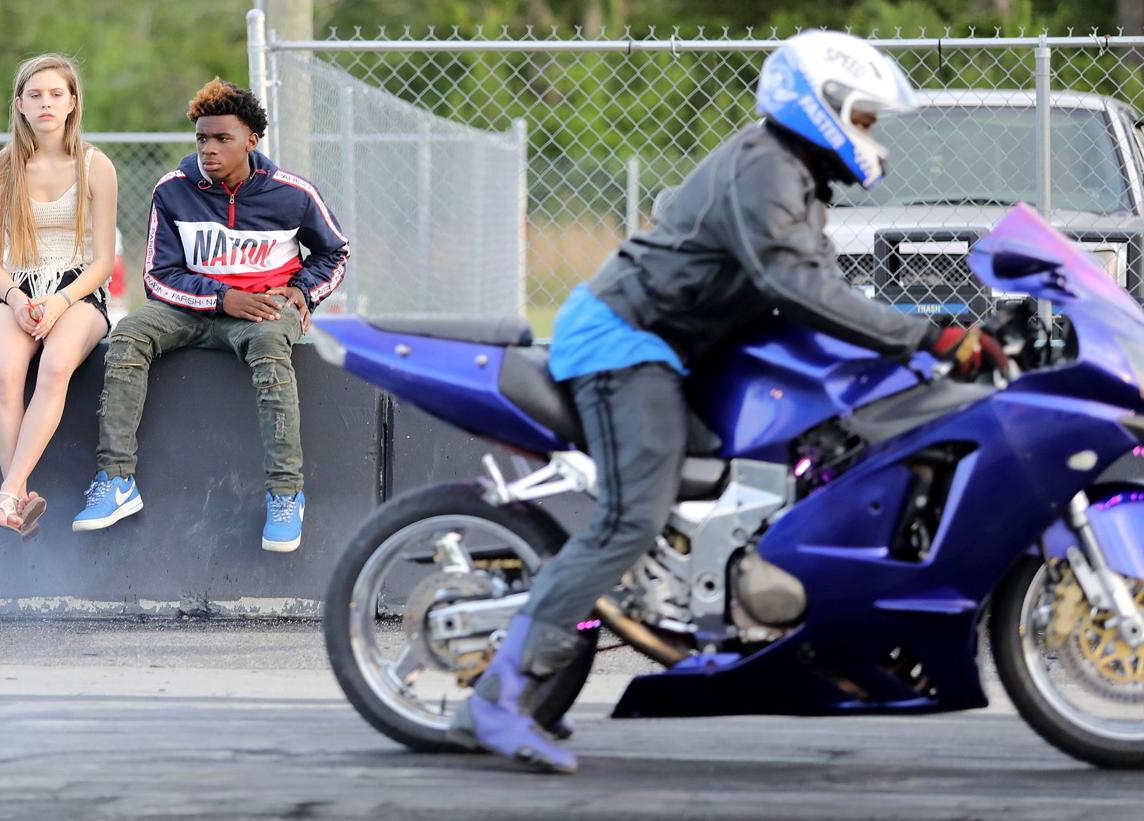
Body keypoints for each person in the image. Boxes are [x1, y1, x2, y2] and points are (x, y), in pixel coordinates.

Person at [448, 30, 1002, 773]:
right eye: (863, 119)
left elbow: (823, 288)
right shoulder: (766, 171)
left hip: (681, 348)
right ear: (821, 107)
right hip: (626, 342)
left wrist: (927, 332)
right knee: (627, 518)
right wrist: (927, 337)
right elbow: (796, 286)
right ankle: (496, 698)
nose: (869, 136)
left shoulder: (793, 176)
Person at [71, 78, 349, 552]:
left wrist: (304, 291)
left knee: (268, 347)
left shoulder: (293, 194)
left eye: (223, 138)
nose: (210, 149)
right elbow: (158, 277)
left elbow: (335, 253)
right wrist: (221, 298)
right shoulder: (173, 191)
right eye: (202, 138)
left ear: (251, 141)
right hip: (193, 309)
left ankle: (285, 494)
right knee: (131, 331)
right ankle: (116, 480)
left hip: (263, 310)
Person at [0, 54, 118, 537]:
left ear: (73, 102)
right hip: (18, 290)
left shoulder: (95, 165)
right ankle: (18, 496)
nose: (46, 103)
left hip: (77, 293)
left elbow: (103, 261)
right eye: (35, 95)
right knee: (7, 371)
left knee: (56, 365)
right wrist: (18, 302)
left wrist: (60, 303)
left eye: (57, 93)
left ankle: (8, 494)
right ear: (19, 104)